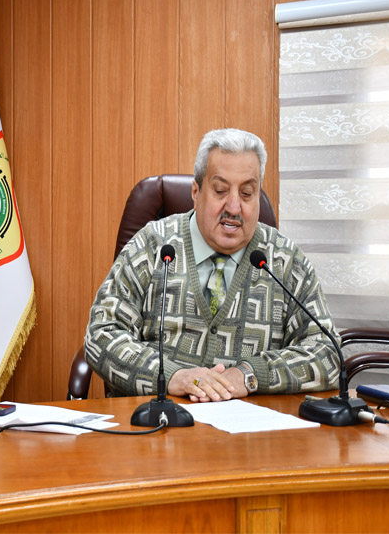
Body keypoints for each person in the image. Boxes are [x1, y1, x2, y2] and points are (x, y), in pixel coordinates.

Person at [85, 128, 339, 402]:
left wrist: (250, 375)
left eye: (247, 193)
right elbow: (101, 335)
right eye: (220, 191)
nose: (234, 207)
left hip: (247, 425)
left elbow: (328, 353)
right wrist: (170, 376)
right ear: (196, 192)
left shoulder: (284, 260)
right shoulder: (153, 246)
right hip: (156, 419)